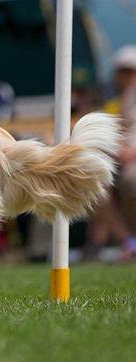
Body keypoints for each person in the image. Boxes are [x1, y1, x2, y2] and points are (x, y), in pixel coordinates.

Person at [88, 46, 136, 262]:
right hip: (120, 160)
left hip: (131, 161)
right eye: (120, 71)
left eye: (128, 71)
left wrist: (132, 151)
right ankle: (129, 242)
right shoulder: (117, 100)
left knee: (131, 180)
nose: (123, 77)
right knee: (95, 187)